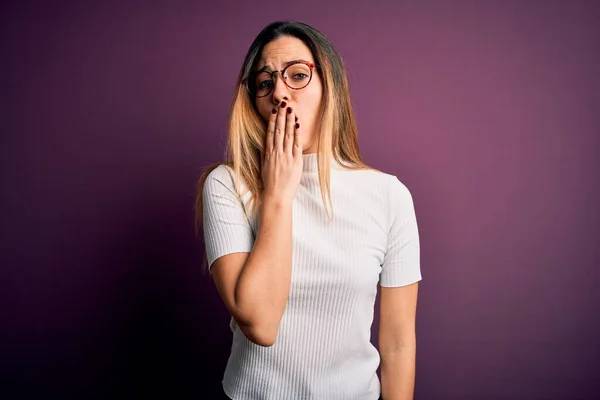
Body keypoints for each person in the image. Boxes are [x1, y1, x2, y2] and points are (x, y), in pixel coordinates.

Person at [195, 20, 422, 400]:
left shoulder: (389, 195)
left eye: (297, 75)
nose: (280, 92)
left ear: (329, 86)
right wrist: (279, 194)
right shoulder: (226, 185)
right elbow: (262, 323)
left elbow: (398, 345)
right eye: (265, 83)